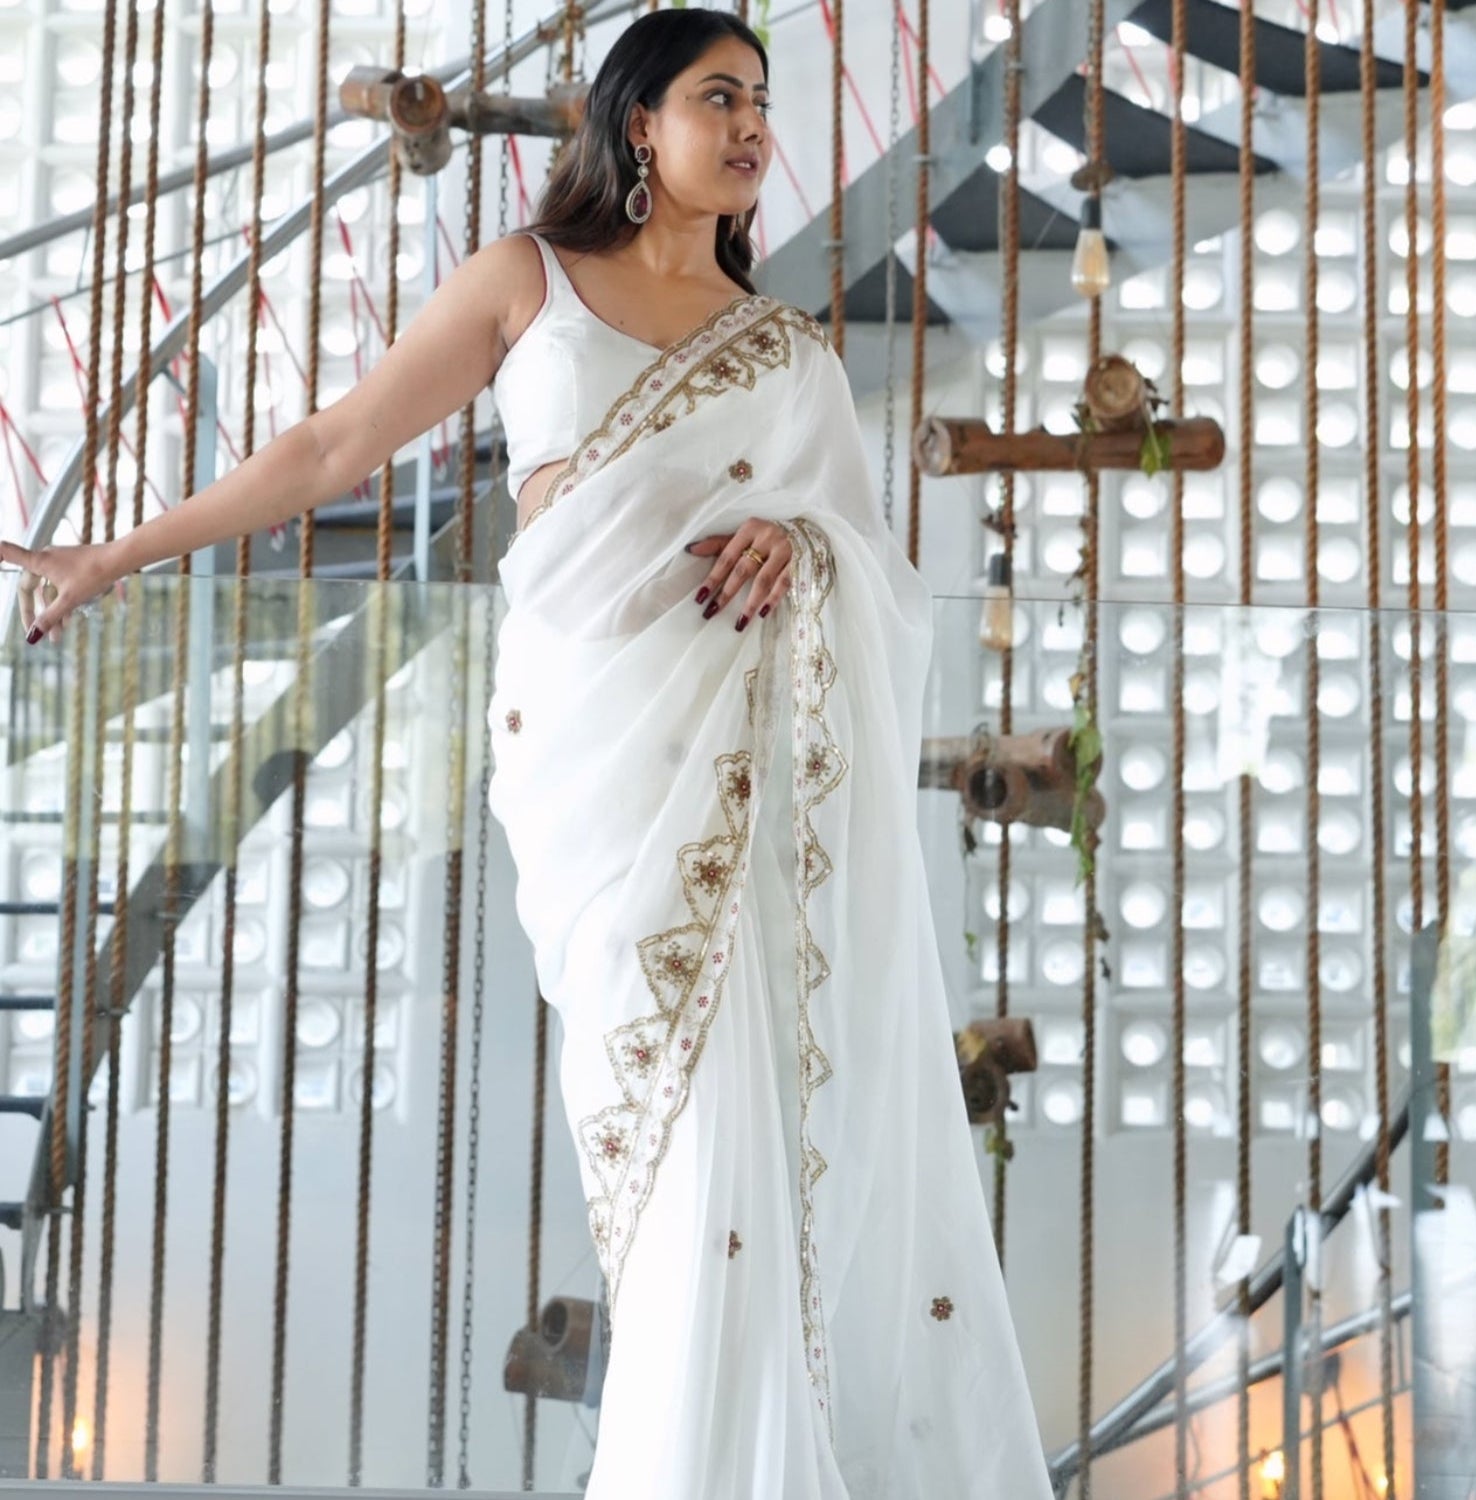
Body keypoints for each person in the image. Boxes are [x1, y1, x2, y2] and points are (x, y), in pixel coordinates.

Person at [1, 10, 1055, 1497]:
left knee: (743, 1164)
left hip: (756, 806)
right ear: (638, 125)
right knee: (667, 1164)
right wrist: (120, 555)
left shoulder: (794, 358)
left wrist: (799, 540)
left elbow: (876, 578)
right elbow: (330, 448)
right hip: (602, 786)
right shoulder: (528, 284)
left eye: (764, 101)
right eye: (718, 97)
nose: (754, 126)